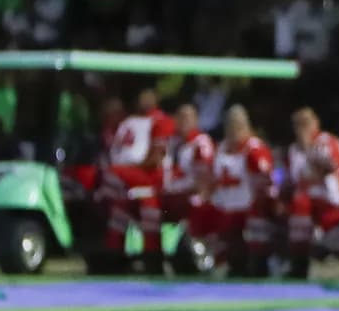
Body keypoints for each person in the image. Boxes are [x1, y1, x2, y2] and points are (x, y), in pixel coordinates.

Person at [98, 88, 174, 275]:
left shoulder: (160, 121)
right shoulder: (128, 122)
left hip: (149, 177)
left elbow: (157, 157)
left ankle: (153, 262)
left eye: (148, 96)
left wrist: (133, 169)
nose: (143, 100)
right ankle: (114, 263)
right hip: (129, 180)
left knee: (114, 177)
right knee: (119, 215)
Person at [285, 107, 339, 280]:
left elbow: (331, 166)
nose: (302, 128)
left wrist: (308, 149)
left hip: (333, 202)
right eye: (298, 124)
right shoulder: (292, 150)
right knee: (298, 204)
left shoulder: (327, 142)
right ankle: (299, 267)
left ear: (316, 123)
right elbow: (294, 181)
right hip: (308, 204)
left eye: (306, 123)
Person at [210, 104, 277, 278]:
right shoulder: (221, 148)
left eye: (238, 125)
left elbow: (265, 180)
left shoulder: (254, 149)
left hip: (250, 206)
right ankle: (230, 266)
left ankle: (258, 267)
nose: (234, 130)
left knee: (255, 229)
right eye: (230, 125)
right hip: (227, 205)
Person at [163, 104, 217, 264]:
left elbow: (206, 176)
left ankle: (201, 258)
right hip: (170, 194)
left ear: (196, 120)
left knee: (197, 205)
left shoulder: (201, 142)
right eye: (180, 117)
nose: (183, 121)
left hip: (190, 195)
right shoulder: (171, 142)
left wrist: (201, 195)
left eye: (188, 117)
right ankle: (155, 258)